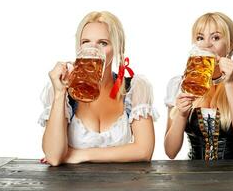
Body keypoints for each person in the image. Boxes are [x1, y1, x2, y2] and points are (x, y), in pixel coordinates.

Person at [38, 11, 158, 166]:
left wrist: (81, 154)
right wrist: (60, 92)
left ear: (117, 48)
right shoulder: (64, 91)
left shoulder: (133, 88)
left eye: (103, 43)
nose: (93, 49)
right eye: (86, 42)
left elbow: (144, 151)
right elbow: (54, 157)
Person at [164, 12, 233, 160]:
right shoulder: (181, 84)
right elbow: (170, 152)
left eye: (215, 37)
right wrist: (181, 115)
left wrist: (229, 83)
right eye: (200, 38)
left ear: (230, 45)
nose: (207, 44)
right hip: (191, 180)